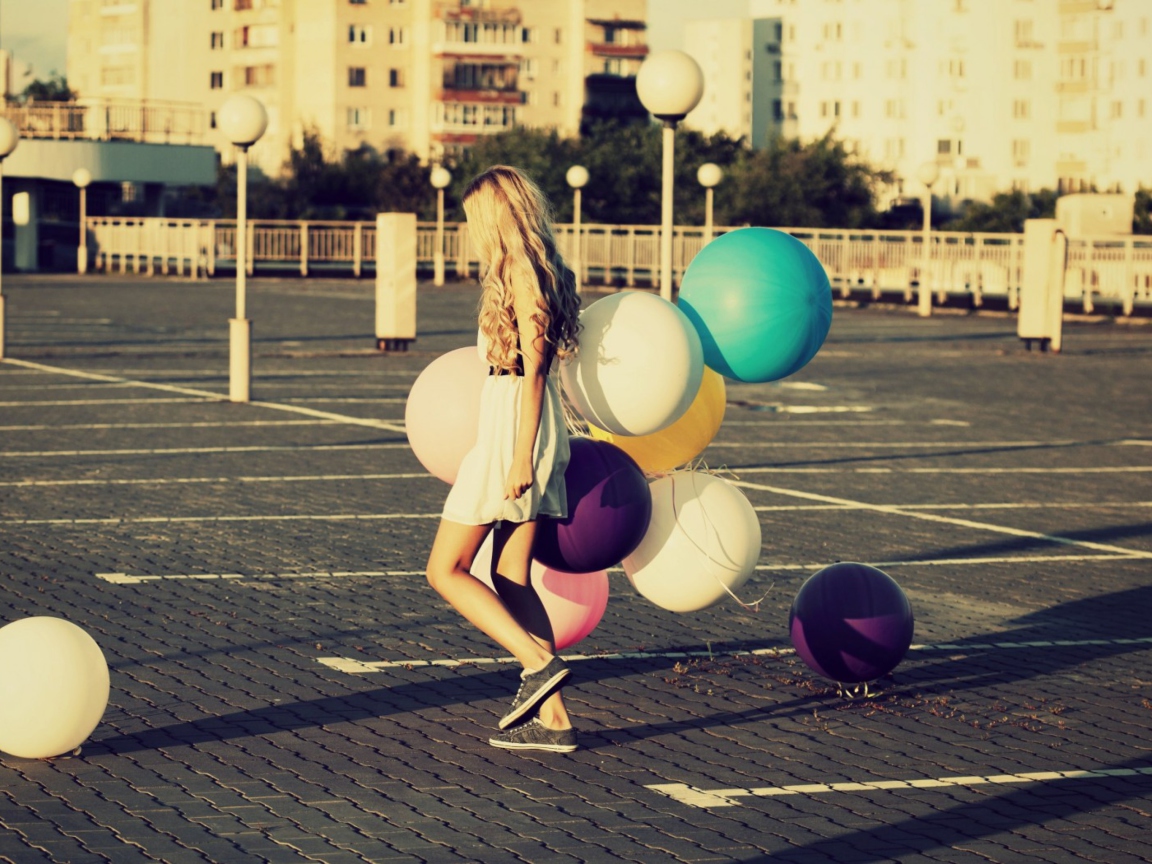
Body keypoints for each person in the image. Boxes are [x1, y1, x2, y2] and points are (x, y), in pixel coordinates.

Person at [425, 165, 582, 753]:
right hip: (529, 426)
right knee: (509, 576)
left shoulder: (521, 271)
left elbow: (535, 370)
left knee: (444, 570)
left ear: (495, 216)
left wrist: (519, 457)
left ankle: (536, 663)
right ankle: (556, 722)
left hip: (517, 426)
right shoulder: (541, 267)